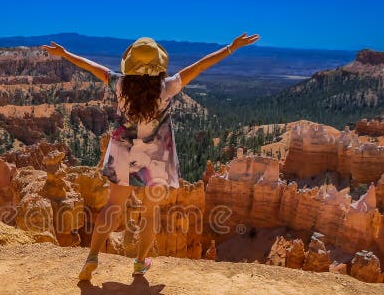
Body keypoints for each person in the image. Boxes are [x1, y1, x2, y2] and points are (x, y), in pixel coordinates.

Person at [43, 33, 259, 281]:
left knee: (113, 207)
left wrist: (65, 54)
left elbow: (92, 67)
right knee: (150, 213)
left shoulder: (120, 84)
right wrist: (231, 48)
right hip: (155, 160)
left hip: (123, 153)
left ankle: (92, 255)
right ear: (158, 65)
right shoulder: (168, 87)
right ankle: (139, 263)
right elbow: (200, 65)